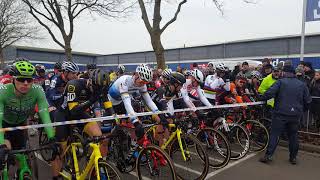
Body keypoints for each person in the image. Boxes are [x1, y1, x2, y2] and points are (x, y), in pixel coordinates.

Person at [51, 68, 110, 179]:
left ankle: (98, 167)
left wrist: (115, 119)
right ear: (90, 81)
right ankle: (55, 177)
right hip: (64, 115)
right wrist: (92, 100)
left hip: (80, 113)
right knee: (59, 150)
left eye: (100, 89)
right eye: (96, 89)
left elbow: (107, 102)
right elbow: (73, 111)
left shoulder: (101, 87)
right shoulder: (73, 85)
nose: (97, 91)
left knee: (101, 139)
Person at [0, 60, 55, 173]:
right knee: (5, 150)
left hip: (21, 124)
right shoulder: (3, 92)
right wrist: (1, 144)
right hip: (4, 125)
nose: (25, 83)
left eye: (29, 80)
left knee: (22, 156)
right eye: (21, 79)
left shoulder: (37, 90)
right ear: (12, 79)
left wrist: (51, 137)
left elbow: (44, 114)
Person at [259, 65, 312, 165]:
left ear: (284, 72)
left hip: (280, 113)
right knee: (293, 135)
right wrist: (301, 110)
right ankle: (293, 158)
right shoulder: (302, 84)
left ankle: (268, 156)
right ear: (294, 73)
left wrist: (260, 98)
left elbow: (269, 93)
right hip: (295, 114)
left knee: (275, 134)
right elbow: (308, 101)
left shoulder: (280, 82)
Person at [108, 64, 160, 143]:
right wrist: (135, 121)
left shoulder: (142, 84)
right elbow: (127, 103)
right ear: (136, 75)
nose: (143, 84)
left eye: (146, 82)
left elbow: (149, 101)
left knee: (132, 125)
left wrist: (159, 113)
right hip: (110, 103)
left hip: (121, 101)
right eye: (142, 81)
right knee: (116, 126)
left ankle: (132, 144)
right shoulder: (124, 81)